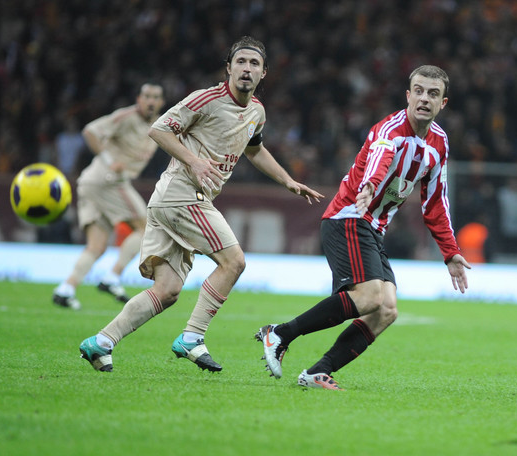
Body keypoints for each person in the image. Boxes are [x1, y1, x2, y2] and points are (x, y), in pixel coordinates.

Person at [78, 36, 324, 373]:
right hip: (182, 194)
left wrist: (287, 181)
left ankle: (101, 342)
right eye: (241, 62)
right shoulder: (207, 99)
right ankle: (192, 337)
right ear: (229, 68)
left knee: (167, 291)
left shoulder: (256, 112)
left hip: (175, 200)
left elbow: (254, 150)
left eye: (254, 64)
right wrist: (194, 161)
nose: (247, 69)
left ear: (264, 73)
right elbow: (160, 129)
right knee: (233, 261)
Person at [256, 65, 471, 390]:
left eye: (433, 93)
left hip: (372, 229)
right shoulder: (391, 130)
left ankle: (318, 371)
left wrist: (451, 253)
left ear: (443, 103)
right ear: (408, 95)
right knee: (370, 297)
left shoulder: (439, 145)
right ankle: (280, 334)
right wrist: (370, 184)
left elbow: (436, 203)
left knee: (386, 309)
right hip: (348, 217)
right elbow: (380, 156)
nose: (424, 98)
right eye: (419, 91)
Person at [52, 83, 165, 310]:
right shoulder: (126, 117)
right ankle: (112, 277)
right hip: (108, 179)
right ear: (138, 99)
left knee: (96, 246)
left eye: (156, 97)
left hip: (91, 183)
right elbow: (91, 131)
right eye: (146, 96)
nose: (151, 101)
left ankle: (66, 289)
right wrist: (108, 160)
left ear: (161, 102)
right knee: (148, 226)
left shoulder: (160, 123)